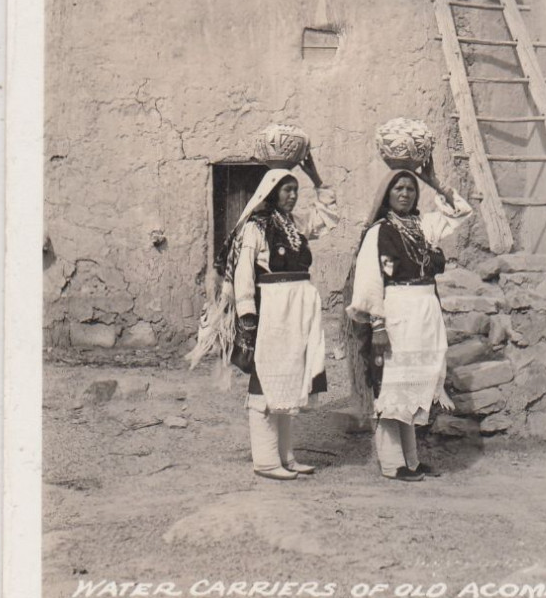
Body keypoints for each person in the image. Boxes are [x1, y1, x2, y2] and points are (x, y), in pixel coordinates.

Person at [189, 152, 338, 481]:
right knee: (267, 381)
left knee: (290, 378)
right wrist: (247, 316)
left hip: (297, 308)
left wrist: (316, 178)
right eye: (286, 190)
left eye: (295, 190)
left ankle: (286, 456)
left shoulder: (296, 225)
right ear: (270, 192)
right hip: (271, 308)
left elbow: (325, 217)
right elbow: (243, 273)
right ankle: (266, 460)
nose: (292, 195)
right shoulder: (255, 228)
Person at [345, 158, 472, 481]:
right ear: (387, 194)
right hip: (396, 309)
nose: (405, 194)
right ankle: (391, 463)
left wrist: (435, 183)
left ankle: (412, 461)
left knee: (415, 382)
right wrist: (378, 325)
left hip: (426, 309)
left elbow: (460, 212)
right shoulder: (379, 232)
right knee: (394, 385)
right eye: (398, 188)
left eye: (410, 189)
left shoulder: (424, 225)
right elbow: (370, 280)